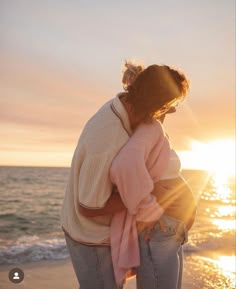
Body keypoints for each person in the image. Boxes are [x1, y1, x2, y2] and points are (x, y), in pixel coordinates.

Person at [61, 61, 195, 289]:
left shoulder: (134, 110)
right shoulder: (106, 139)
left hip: (108, 230)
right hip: (89, 237)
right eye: (166, 106)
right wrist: (147, 197)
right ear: (156, 106)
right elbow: (88, 207)